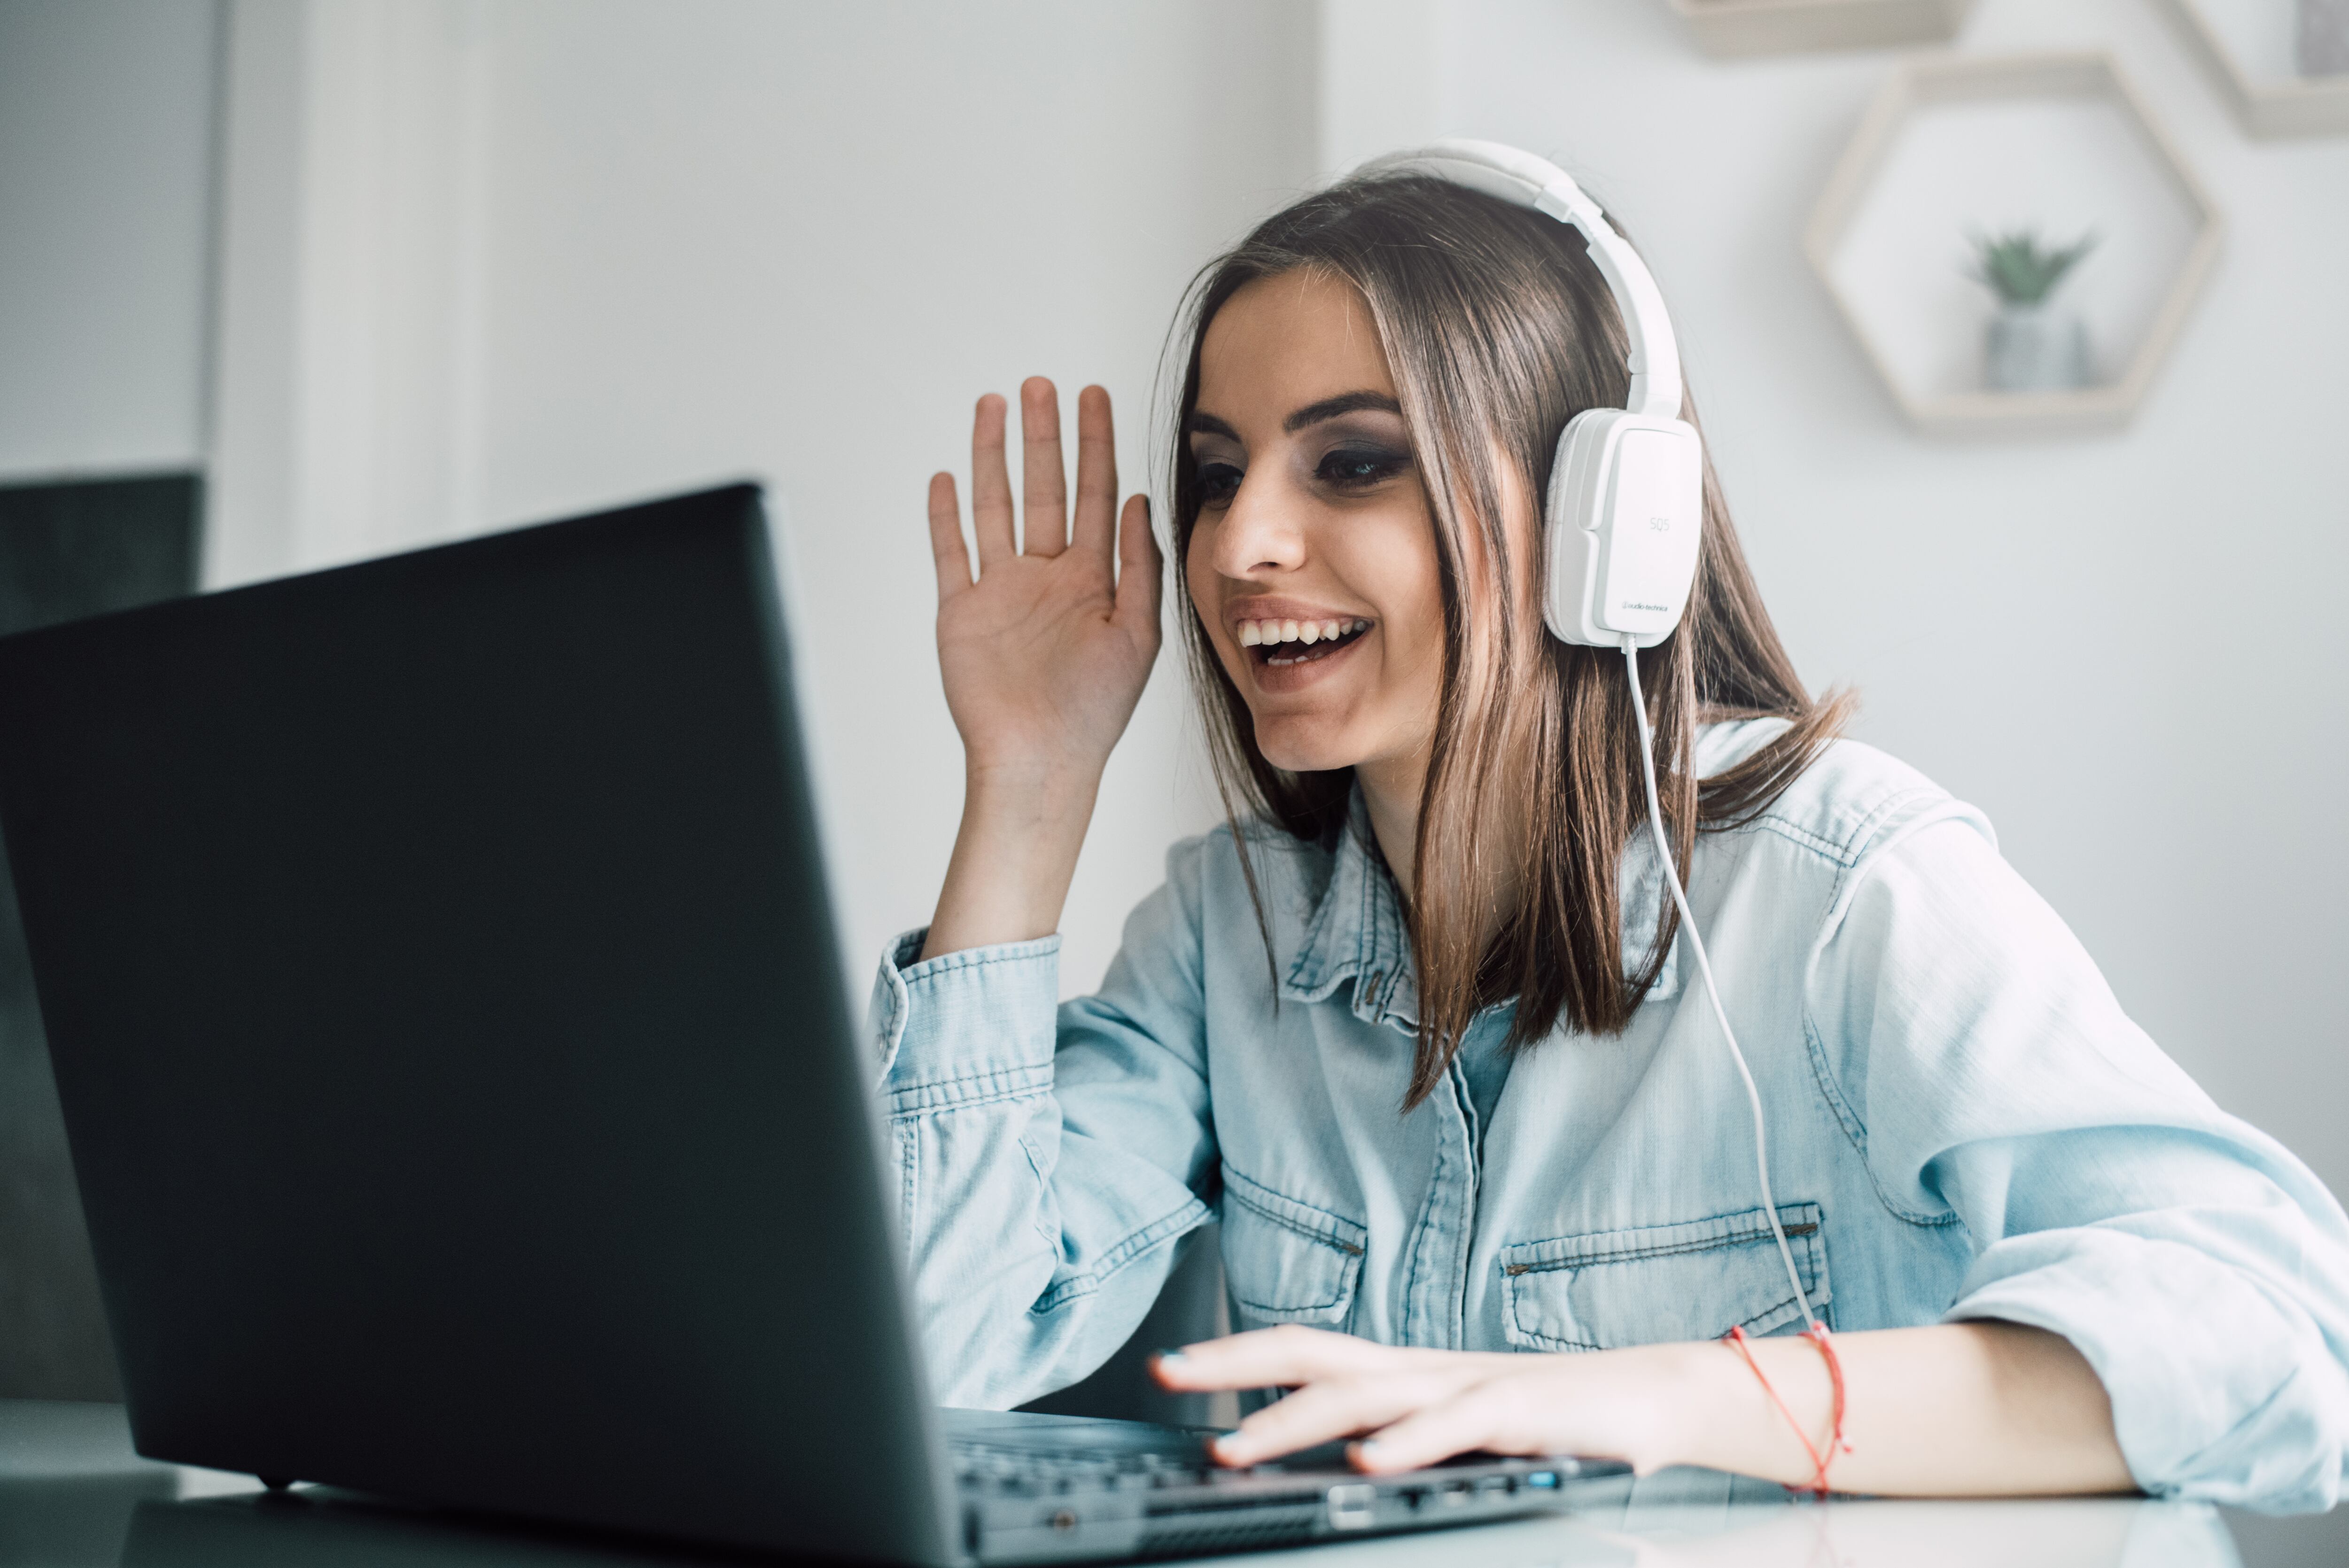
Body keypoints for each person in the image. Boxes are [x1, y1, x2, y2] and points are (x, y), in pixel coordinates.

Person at [871, 152, 2349, 1507]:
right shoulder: (1225, 933)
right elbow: (942, 1342)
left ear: (1603, 515)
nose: (1242, 541)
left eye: (1354, 460)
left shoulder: (1845, 887)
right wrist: (1031, 777)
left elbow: (2279, 1343)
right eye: (1213, 474)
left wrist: (1670, 1391)